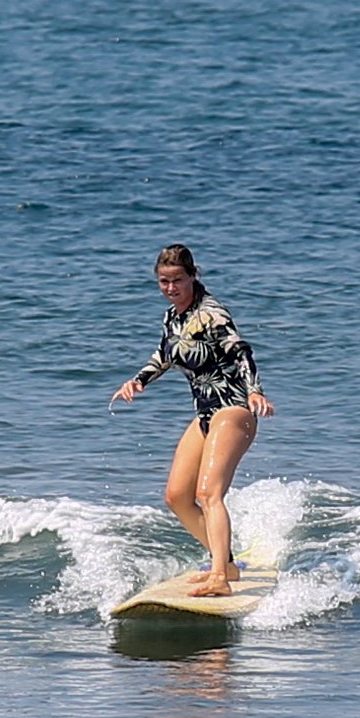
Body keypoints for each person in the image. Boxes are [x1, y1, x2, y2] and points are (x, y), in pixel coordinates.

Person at [112, 244, 273, 597]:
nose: (171, 288)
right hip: (205, 414)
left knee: (208, 493)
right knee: (177, 496)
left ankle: (220, 578)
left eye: (177, 281)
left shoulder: (212, 314)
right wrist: (138, 380)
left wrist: (255, 392)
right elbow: (164, 354)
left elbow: (242, 352)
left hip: (233, 410)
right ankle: (226, 562)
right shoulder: (173, 317)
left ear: (192, 276)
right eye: (164, 282)